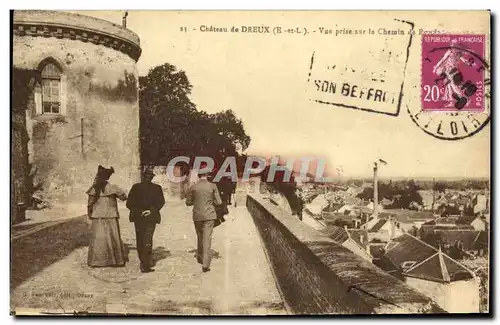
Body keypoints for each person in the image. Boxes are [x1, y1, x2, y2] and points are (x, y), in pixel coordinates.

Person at [86, 165, 128, 267]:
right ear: (108, 177)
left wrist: (90, 214)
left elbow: (90, 204)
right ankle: (115, 260)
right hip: (111, 215)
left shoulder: (94, 189)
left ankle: (97, 261)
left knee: (99, 239)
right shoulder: (113, 188)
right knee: (113, 237)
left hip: (98, 216)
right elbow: (124, 197)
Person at [126, 169, 165, 273]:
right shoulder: (157, 188)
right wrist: (150, 211)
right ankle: (145, 264)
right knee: (148, 239)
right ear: (152, 177)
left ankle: (143, 261)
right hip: (151, 217)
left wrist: (139, 212)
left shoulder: (136, 187)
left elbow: (129, 203)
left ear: (143, 177)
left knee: (140, 239)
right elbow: (161, 202)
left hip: (138, 217)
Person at [185, 170, 222, 272]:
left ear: (199, 176)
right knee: (207, 238)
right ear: (207, 175)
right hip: (209, 215)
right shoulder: (212, 186)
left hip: (197, 215)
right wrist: (211, 201)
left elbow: (188, 203)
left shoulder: (193, 187)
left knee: (200, 236)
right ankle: (205, 264)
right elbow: (219, 202)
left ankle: (200, 258)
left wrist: (196, 201)